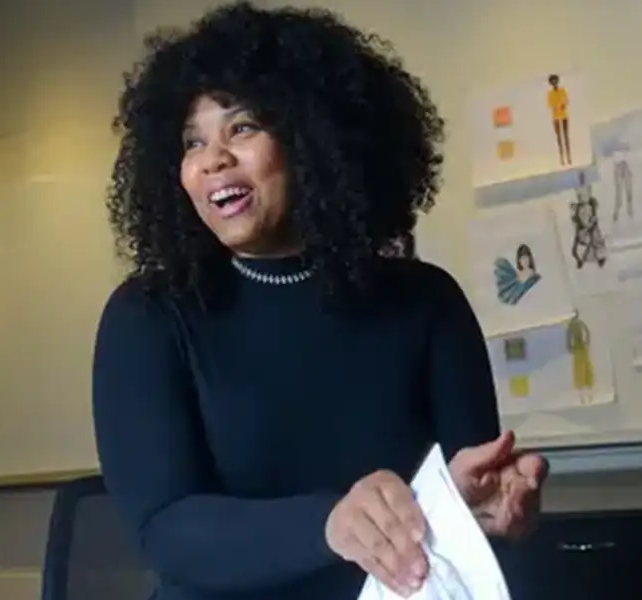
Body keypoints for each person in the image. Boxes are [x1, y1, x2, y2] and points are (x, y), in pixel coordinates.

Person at [91, 4, 549, 599]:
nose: (212, 159)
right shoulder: (149, 315)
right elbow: (166, 530)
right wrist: (329, 523)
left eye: (243, 127)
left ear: (314, 139)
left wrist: (482, 511)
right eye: (191, 142)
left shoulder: (426, 302)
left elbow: (461, 500)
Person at [547, 74, 571, 166]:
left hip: (564, 115)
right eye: (552, 81)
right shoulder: (550, 94)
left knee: (566, 136)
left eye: (555, 81)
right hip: (556, 116)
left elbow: (566, 100)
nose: (554, 83)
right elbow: (550, 104)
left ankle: (568, 156)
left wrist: (563, 104)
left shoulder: (562, 90)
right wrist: (558, 105)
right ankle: (562, 158)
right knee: (559, 138)